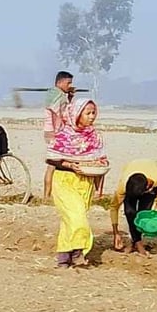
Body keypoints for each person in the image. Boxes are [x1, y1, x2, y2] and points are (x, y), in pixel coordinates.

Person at [46, 98, 107, 268]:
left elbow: (101, 159)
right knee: (77, 218)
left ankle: (64, 258)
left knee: (69, 221)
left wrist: (97, 178)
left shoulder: (95, 136)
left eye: (93, 112)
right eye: (87, 113)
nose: (91, 116)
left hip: (85, 182)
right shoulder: (63, 135)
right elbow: (53, 159)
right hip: (65, 181)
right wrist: (71, 165)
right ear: (76, 114)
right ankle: (80, 251)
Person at [111, 159, 157, 256]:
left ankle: (137, 243)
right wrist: (116, 233)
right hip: (132, 173)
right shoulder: (123, 186)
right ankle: (137, 242)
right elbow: (114, 207)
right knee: (129, 212)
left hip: (150, 179)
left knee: (143, 214)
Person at [42, 71, 76, 200]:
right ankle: (47, 196)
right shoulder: (58, 96)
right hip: (56, 134)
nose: (70, 85)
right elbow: (66, 114)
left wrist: (69, 97)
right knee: (52, 165)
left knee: (55, 164)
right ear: (59, 82)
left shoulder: (55, 94)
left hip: (52, 133)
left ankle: (49, 195)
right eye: (68, 83)